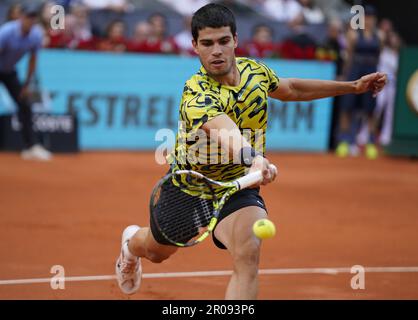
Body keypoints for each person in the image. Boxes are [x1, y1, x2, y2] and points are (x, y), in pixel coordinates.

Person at [114, 3, 387, 299]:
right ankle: (130, 246)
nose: (216, 50)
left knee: (248, 254)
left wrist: (352, 87)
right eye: (207, 43)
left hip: (237, 188)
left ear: (235, 41)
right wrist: (253, 158)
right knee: (156, 252)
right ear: (194, 46)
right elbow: (224, 131)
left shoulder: (254, 71)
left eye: (223, 41)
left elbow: (292, 89)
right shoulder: (196, 92)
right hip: (189, 190)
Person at [0, 4, 52, 161]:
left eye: (33, 17)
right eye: (28, 16)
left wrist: (26, 85)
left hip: (9, 72)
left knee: (25, 105)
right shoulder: (6, 32)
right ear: (21, 17)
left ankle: (31, 147)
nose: (31, 20)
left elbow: (32, 60)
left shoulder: (36, 36)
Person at [336, 5, 383, 159]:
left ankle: (370, 142)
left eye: (370, 17)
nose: (368, 20)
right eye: (365, 17)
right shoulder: (354, 35)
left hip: (371, 72)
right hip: (355, 72)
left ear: (374, 19)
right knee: (347, 107)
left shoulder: (380, 36)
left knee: (370, 110)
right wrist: (345, 75)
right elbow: (348, 57)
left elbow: (379, 56)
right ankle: (344, 141)